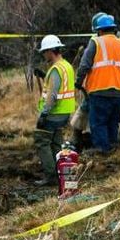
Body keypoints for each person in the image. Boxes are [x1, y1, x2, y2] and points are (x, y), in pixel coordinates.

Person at [75, 14, 120, 155]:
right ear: (114, 29)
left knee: (98, 123)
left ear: (99, 30)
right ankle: (113, 149)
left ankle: (102, 152)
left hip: (99, 90)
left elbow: (84, 64)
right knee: (113, 122)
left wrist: (78, 82)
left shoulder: (96, 42)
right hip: (119, 93)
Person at [34, 35, 76, 186]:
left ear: (51, 50)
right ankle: (60, 174)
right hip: (64, 113)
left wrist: (44, 113)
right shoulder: (66, 66)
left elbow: (52, 95)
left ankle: (51, 177)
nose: (44, 55)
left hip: (53, 113)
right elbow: (60, 86)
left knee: (41, 141)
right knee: (55, 143)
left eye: (45, 51)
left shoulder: (55, 70)